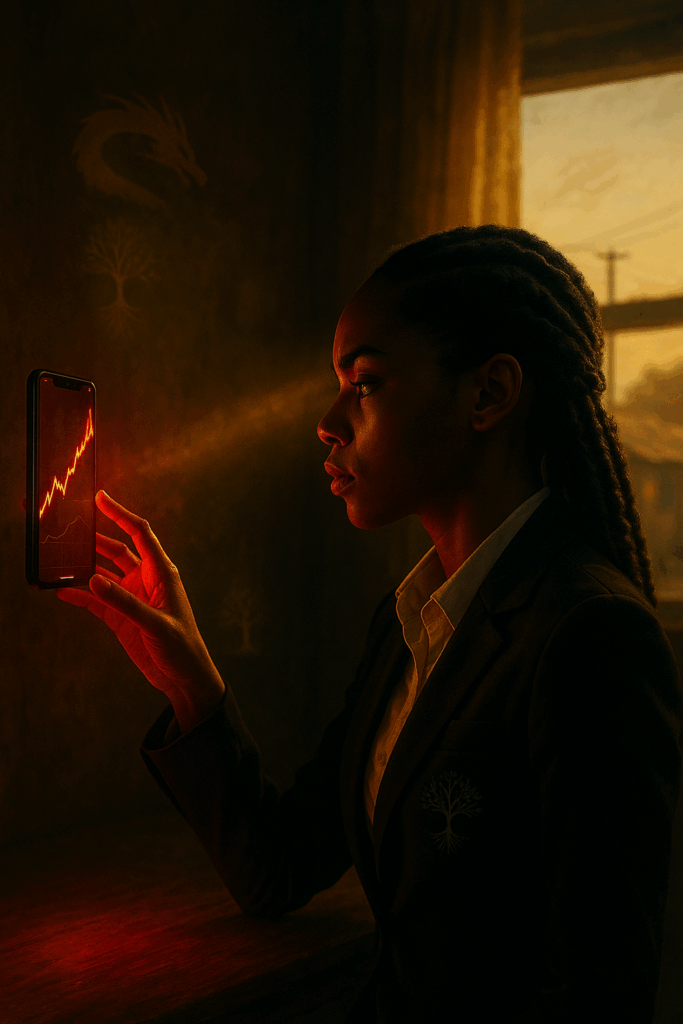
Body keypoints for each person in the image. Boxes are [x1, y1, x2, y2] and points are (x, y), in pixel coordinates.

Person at [57, 225, 683, 1023]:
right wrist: (191, 682)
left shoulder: (589, 637)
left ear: (487, 394)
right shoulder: (412, 624)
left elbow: (599, 994)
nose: (328, 420)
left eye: (367, 383)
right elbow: (277, 869)